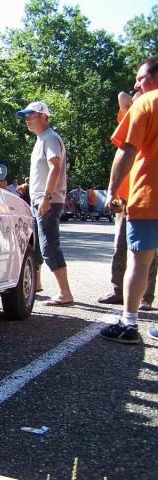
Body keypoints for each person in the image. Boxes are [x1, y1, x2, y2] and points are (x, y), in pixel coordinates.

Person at [99, 56, 158, 343]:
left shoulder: (146, 104)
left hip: (150, 196)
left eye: (141, 77)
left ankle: (129, 324)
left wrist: (112, 192)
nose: (136, 83)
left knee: (139, 261)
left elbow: (126, 150)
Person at [17, 101, 73, 306]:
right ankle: (37, 283)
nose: (27, 120)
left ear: (43, 116)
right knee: (38, 245)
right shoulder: (41, 139)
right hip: (40, 199)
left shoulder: (50, 137)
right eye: (25, 116)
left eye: (31, 115)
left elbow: (55, 167)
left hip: (47, 200)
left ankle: (64, 293)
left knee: (49, 246)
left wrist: (46, 197)